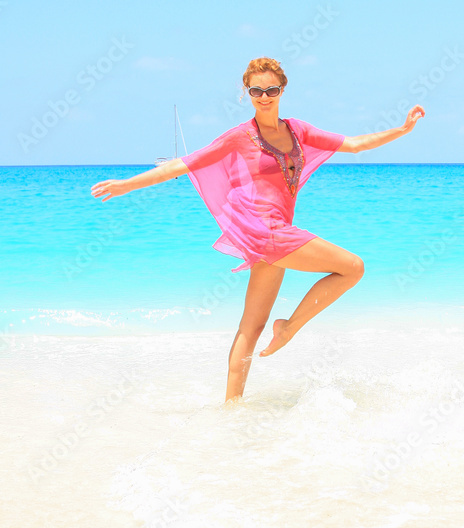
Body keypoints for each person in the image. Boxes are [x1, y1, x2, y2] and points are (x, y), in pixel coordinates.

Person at [91, 56, 425, 402]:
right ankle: (290, 328)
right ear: (246, 93)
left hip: (274, 235)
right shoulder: (239, 137)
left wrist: (402, 130)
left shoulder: (298, 130)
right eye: (256, 91)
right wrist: (126, 185)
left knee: (251, 327)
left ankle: (230, 409)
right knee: (353, 267)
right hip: (265, 231)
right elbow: (182, 165)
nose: (264, 97)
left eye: (271, 90)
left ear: (282, 90)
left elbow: (354, 144)